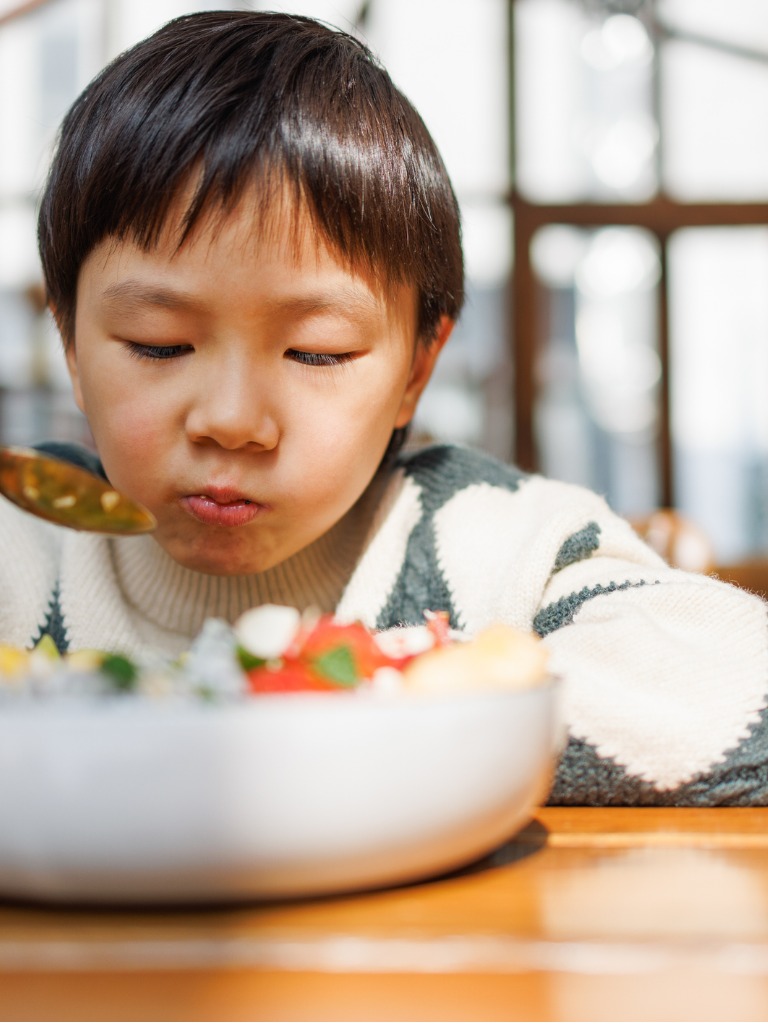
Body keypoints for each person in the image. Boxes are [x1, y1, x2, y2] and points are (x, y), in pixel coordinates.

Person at [13, 9, 768, 805]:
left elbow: (741, 678)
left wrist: (373, 706)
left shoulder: (487, 539)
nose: (232, 420)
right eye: (158, 343)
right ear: (70, 341)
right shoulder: (28, 543)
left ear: (417, 367)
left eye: (317, 353)